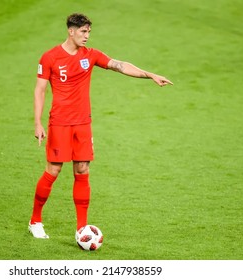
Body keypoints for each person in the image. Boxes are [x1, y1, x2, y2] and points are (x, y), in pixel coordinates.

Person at [29, 13, 173, 238]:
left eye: (89, 32)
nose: (87, 36)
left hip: (83, 124)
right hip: (60, 124)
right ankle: (35, 221)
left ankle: (82, 228)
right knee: (54, 170)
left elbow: (120, 65)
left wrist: (149, 74)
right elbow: (40, 90)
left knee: (82, 170)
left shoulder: (91, 55)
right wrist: (37, 123)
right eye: (83, 32)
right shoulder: (50, 57)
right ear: (71, 31)